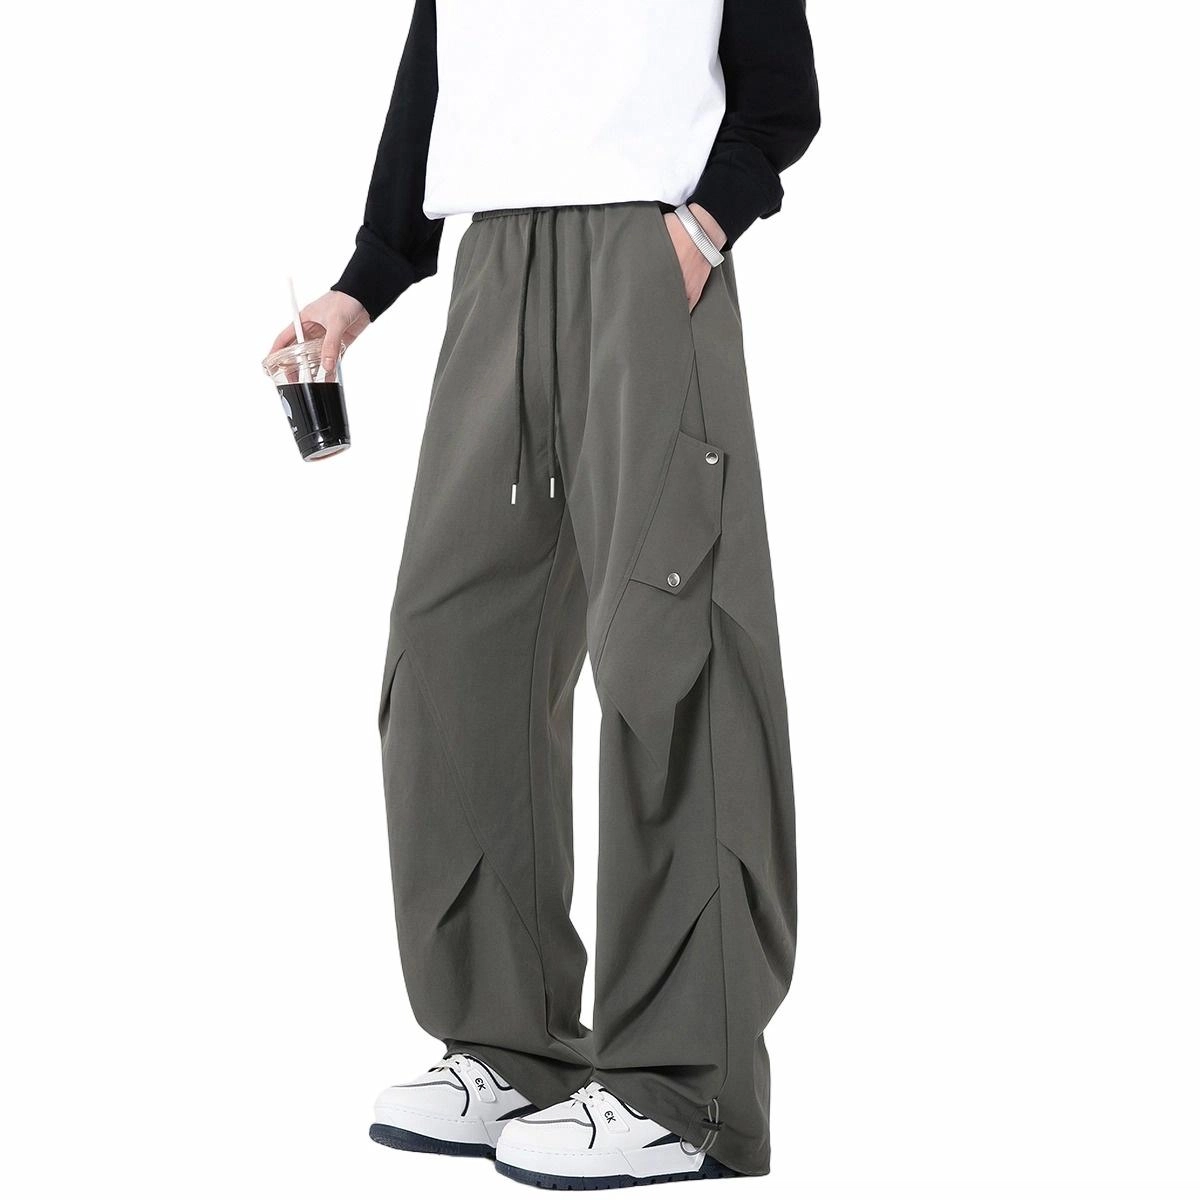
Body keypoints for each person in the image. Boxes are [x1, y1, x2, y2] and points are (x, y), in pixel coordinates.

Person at [271, 0, 818, 1188]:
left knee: (669, 647)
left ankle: (683, 1088)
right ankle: (509, 1044)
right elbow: (441, 69)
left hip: (647, 250)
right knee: (453, 652)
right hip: (494, 261)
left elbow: (782, 92)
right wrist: (360, 288)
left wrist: (701, 230)